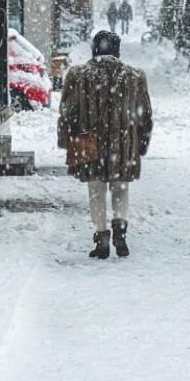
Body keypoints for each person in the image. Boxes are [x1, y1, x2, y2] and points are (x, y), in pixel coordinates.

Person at [58, 31, 153, 259]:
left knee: (96, 189)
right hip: (123, 146)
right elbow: (145, 115)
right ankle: (120, 230)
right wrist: (140, 144)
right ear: (117, 51)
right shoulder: (135, 76)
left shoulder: (78, 75)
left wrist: (68, 140)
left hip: (91, 144)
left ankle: (101, 237)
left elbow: (67, 112)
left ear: (94, 49)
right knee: (120, 187)